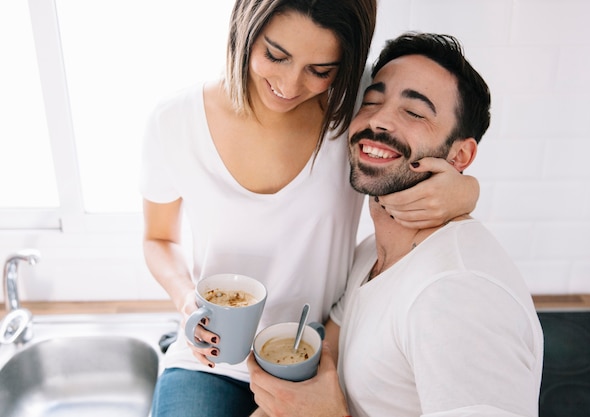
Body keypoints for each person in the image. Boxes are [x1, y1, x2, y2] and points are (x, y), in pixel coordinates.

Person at [140, 0, 478, 414]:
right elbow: (158, 238)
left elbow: (436, 146)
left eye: (321, 70)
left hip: (319, 353)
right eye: (275, 55)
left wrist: (467, 191)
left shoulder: (359, 106)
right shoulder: (174, 121)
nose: (289, 84)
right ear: (245, 29)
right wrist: (185, 299)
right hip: (213, 358)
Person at [247, 32, 544, 417]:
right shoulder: (372, 254)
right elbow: (326, 359)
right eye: (371, 102)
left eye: (415, 113)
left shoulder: (457, 294)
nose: (380, 120)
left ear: (460, 155)